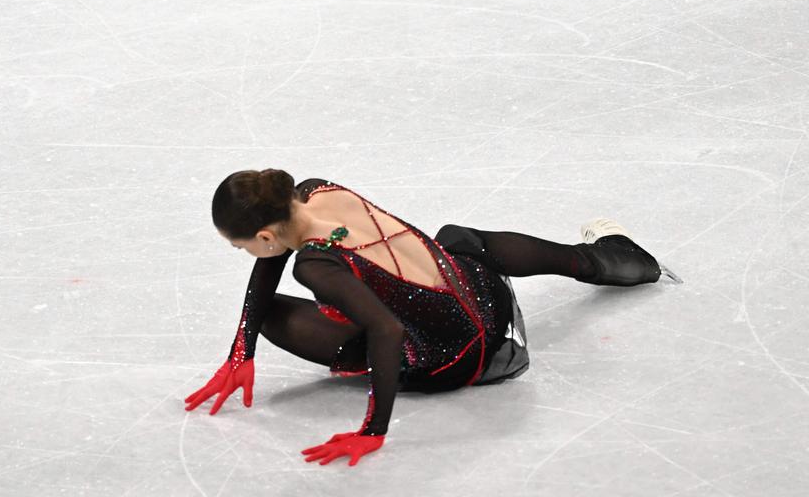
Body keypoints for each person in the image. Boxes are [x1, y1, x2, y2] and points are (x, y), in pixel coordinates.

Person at [183, 169, 679, 467]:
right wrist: (240, 353)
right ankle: (610, 259)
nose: (246, 253)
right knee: (457, 239)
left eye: (241, 245)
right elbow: (277, 251)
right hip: (489, 304)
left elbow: (388, 329)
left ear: (265, 236)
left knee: (284, 313)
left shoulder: (316, 263)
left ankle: (426, 376)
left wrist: (372, 431)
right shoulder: (318, 190)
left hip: (461, 361)